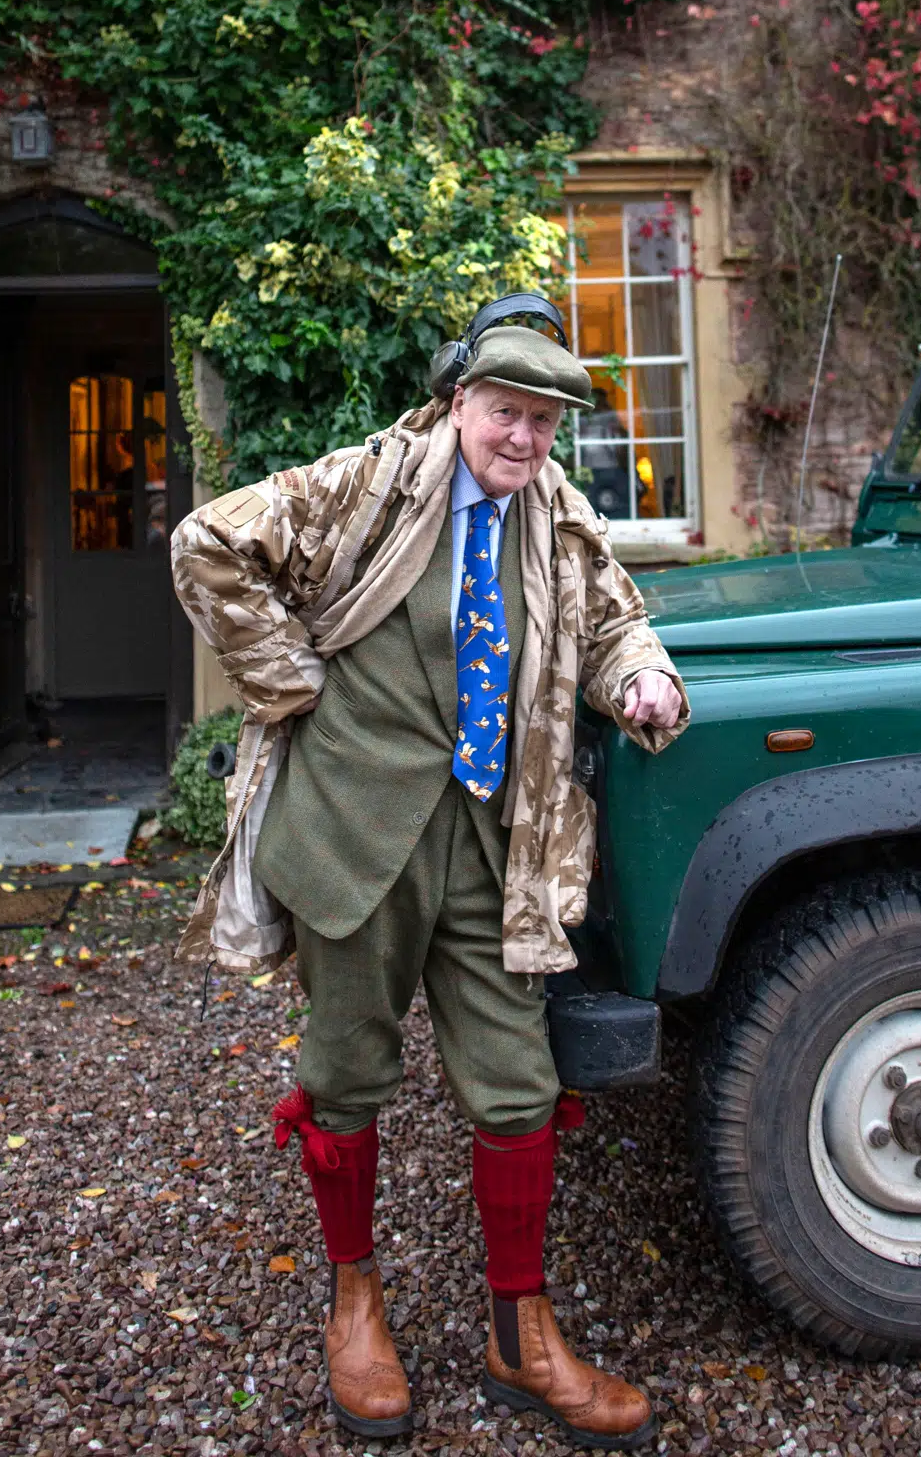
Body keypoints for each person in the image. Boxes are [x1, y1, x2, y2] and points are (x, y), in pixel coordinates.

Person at [171, 311, 688, 1447]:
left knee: (516, 1084)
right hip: (355, 836)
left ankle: (522, 1337)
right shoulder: (368, 484)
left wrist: (644, 682)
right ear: (459, 402)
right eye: (506, 410)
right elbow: (208, 540)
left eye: (544, 421)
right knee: (347, 1074)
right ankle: (355, 1305)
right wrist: (286, 681)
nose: (523, 437)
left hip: (496, 848)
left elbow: (617, 627)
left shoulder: (556, 516)